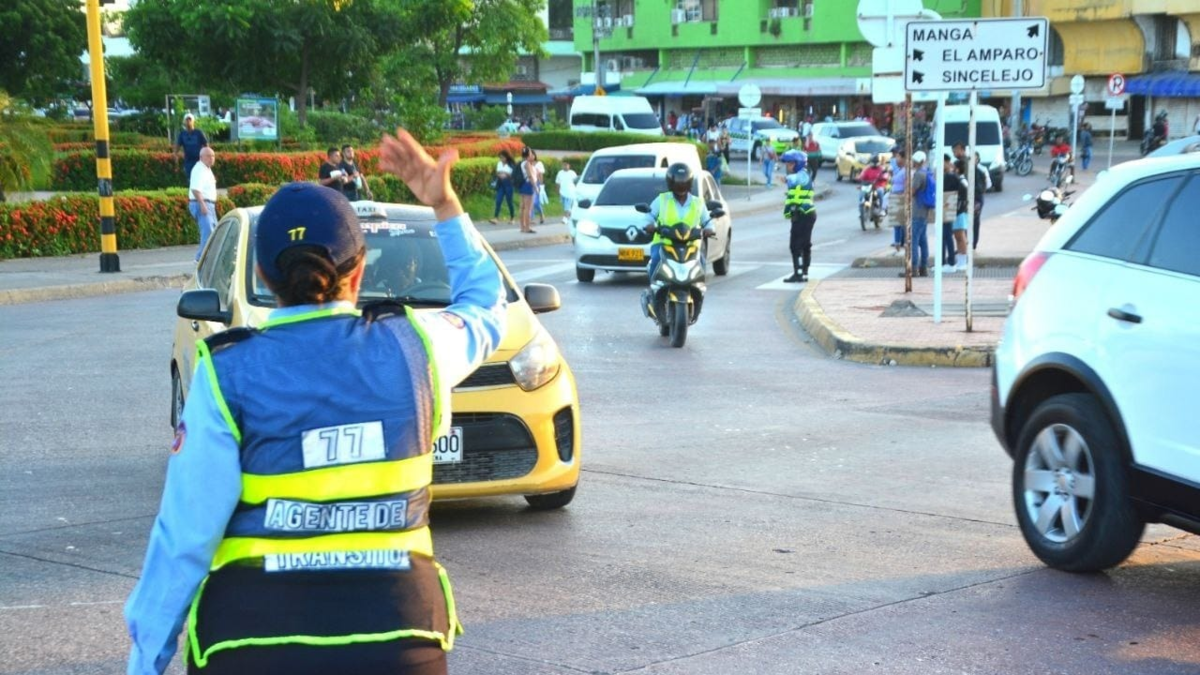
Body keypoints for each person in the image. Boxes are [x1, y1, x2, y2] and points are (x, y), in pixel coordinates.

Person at [124, 128, 506, 675]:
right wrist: (444, 205)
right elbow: (486, 306)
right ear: (361, 268)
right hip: (398, 643)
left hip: (252, 648)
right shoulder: (416, 348)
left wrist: (146, 662)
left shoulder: (225, 373)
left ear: (261, 274)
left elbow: (183, 538)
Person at [643, 163, 714, 283]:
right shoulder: (662, 199)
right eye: (678, 182)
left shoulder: (698, 203)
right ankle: (654, 290)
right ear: (671, 183)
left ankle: (698, 292)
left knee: (701, 262)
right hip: (664, 244)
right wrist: (650, 226)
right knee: (656, 260)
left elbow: (707, 221)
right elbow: (648, 217)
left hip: (690, 246)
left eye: (684, 182)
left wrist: (710, 229)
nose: (681, 186)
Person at [780, 150, 816, 283]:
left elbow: (797, 180)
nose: (788, 167)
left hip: (804, 215)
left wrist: (787, 179)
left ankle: (800, 272)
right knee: (803, 244)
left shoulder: (803, 175)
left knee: (797, 245)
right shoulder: (803, 174)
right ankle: (803, 271)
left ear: (798, 164)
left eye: (790, 164)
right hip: (801, 215)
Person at [897, 151, 932, 277]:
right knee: (923, 241)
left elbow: (911, 192)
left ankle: (913, 269)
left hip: (917, 211)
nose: (913, 163)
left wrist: (905, 192)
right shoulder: (927, 173)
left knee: (913, 241)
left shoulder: (918, 175)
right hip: (924, 211)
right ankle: (924, 268)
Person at [189, 147, 218, 262]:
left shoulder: (206, 169)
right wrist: (202, 204)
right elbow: (195, 189)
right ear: (201, 157)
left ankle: (208, 259)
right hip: (202, 203)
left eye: (213, 156)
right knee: (209, 232)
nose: (211, 158)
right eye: (208, 156)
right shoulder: (199, 169)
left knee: (214, 232)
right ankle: (200, 259)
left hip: (207, 203)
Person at [940, 155, 965, 273]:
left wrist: (958, 206)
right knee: (944, 236)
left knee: (948, 236)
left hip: (949, 210)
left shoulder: (951, 177)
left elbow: (962, 191)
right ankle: (944, 263)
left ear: (947, 163)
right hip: (945, 209)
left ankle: (951, 262)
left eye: (942, 162)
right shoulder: (944, 176)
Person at [174, 113, 209, 185]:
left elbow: (206, 146)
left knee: (199, 179)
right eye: (186, 120)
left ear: (193, 121)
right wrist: (176, 159)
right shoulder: (182, 134)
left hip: (199, 161)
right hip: (188, 161)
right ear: (184, 122)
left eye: (190, 119)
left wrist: (207, 159)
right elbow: (177, 148)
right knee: (190, 180)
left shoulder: (199, 133)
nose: (188, 121)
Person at [888, 147, 907, 253]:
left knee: (902, 223)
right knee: (897, 223)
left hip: (901, 198)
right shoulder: (899, 170)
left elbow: (906, 185)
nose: (896, 159)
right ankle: (897, 245)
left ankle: (903, 245)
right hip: (896, 197)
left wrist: (902, 195)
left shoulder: (906, 171)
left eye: (898, 157)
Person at [490, 150, 516, 225]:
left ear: (506, 157)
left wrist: (505, 173)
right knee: (498, 200)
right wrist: (502, 174)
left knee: (509, 201)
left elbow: (512, 175)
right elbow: (498, 172)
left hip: (508, 184)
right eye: (500, 158)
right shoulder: (499, 164)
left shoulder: (511, 164)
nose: (501, 159)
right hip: (501, 184)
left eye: (502, 157)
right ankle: (496, 217)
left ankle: (512, 217)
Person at [517, 146, 537, 234]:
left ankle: (522, 227)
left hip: (522, 185)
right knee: (528, 208)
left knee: (522, 207)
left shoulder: (521, 163)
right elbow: (530, 176)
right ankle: (527, 227)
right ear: (528, 154)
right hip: (528, 185)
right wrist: (535, 187)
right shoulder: (527, 164)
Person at [529, 149, 547, 226]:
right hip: (529, 183)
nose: (531, 156)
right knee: (531, 201)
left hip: (537, 184)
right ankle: (534, 217)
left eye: (532, 155)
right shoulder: (527, 164)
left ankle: (538, 215)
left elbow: (540, 175)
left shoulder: (539, 164)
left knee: (535, 201)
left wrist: (541, 185)